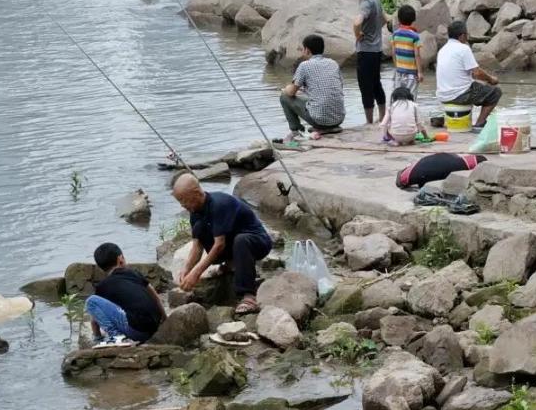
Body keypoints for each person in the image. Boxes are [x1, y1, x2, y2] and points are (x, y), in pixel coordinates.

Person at [172, 173, 271, 315]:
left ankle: (248, 296)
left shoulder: (219, 204)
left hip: (257, 242)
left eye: (183, 200)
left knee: (241, 240)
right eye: (179, 201)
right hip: (234, 243)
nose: (182, 205)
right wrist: (186, 270)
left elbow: (219, 245)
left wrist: (197, 273)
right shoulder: (195, 212)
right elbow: (197, 246)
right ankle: (231, 263)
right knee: (200, 228)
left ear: (196, 193)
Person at [85, 242, 167, 347]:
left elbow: (94, 318)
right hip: (154, 326)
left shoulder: (103, 286)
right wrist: (165, 319)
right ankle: (120, 336)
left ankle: (117, 336)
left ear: (100, 267)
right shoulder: (134, 274)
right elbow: (155, 297)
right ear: (120, 259)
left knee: (91, 301)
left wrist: (97, 337)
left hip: (138, 332)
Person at [436, 19, 502, 129]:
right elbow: (477, 72)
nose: (467, 37)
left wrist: (481, 80)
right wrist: (491, 79)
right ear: (462, 36)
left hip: (442, 95)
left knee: (479, 86)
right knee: (495, 92)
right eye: (467, 34)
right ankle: (480, 124)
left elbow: (465, 73)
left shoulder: (442, 50)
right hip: (459, 95)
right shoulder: (463, 48)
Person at [281, 33, 345, 142]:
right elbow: (339, 86)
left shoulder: (304, 65)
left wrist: (285, 89)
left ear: (307, 50)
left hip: (320, 121)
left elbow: (291, 92)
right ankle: (330, 127)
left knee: (284, 97)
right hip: (339, 119)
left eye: (303, 49)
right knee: (308, 99)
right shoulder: (333, 63)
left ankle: (296, 130)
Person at [351, 0, 386, 125]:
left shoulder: (366, 1)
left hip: (366, 51)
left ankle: (369, 122)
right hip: (377, 49)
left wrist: (357, 34)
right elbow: (385, 19)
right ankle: (383, 117)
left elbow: (357, 21)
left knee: (366, 86)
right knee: (376, 83)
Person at [391, 3, 423, 93]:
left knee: (398, 97)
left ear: (399, 19)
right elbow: (417, 55)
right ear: (413, 20)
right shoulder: (415, 36)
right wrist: (420, 72)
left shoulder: (395, 34)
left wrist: (397, 67)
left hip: (399, 72)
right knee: (410, 98)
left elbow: (393, 52)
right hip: (411, 74)